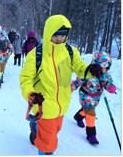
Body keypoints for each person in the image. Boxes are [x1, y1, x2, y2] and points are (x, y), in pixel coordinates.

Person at [19, 14, 103, 155]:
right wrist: (31, 94)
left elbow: (80, 67)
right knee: (48, 144)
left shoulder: (70, 52)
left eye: (63, 35)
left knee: (55, 129)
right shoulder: (36, 55)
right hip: (43, 104)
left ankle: (35, 126)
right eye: (56, 35)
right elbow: (26, 78)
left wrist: (90, 70)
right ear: (48, 33)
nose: (59, 39)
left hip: (62, 104)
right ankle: (44, 147)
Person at [72, 51, 116, 145]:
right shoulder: (87, 72)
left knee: (87, 110)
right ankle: (91, 135)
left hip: (96, 98)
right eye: (103, 65)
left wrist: (110, 87)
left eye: (107, 66)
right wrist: (72, 86)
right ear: (95, 64)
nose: (105, 69)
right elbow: (79, 80)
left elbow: (108, 83)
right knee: (91, 113)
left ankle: (78, 117)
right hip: (85, 95)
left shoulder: (106, 75)